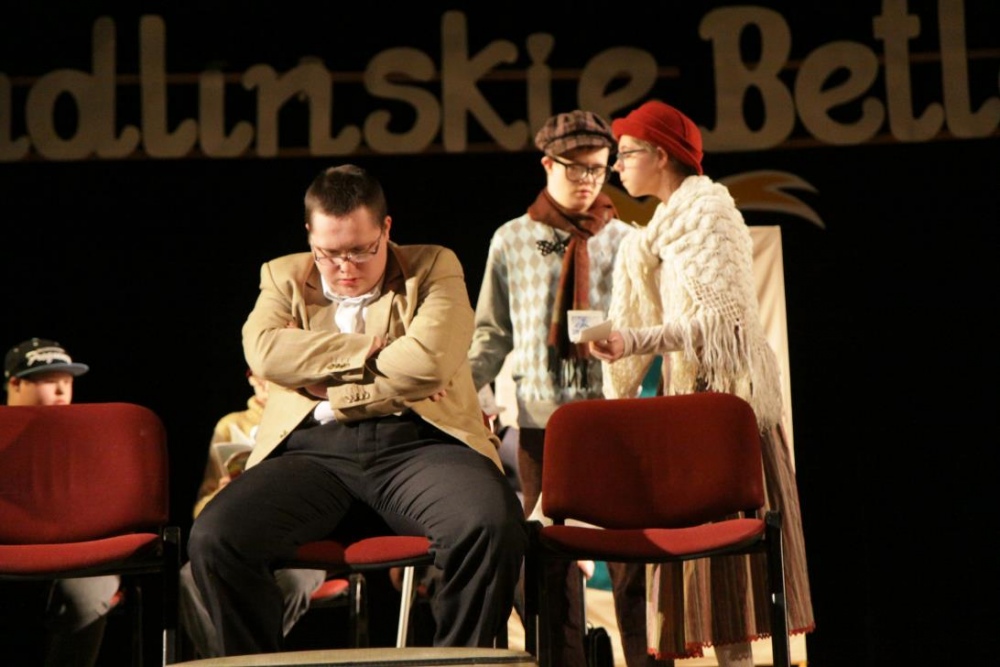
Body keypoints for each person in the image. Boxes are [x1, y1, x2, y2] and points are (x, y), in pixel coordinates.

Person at [186, 164, 528, 657]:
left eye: (361, 250)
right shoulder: (283, 275)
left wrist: (327, 388)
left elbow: (428, 364)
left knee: (491, 524)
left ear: (386, 229)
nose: (345, 267)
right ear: (310, 235)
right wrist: (367, 349)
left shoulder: (433, 265)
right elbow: (264, 354)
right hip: (311, 453)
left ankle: (457, 663)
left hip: (419, 445)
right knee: (216, 537)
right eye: (328, 253)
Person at [588, 99, 816, 666]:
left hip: (725, 407)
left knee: (732, 564)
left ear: (662, 155)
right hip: (691, 403)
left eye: (627, 154)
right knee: (707, 572)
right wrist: (627, 341)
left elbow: (723, 324)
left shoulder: (708, 214)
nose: (618, 167)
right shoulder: (662, 229)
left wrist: (634, 340)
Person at [466, 110, 637, 666]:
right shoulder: (512, 240)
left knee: (632, 557)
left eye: (598, 169)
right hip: (543, 423)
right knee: (549, 562)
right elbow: (492, 334)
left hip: (613, 419)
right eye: (575, 168)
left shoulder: (627, 241)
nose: (588, 180)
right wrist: (459, 392)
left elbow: (647, 329)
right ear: (547, 164)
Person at [177, 370, 325, 659]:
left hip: (296, 543)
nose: (267, 386)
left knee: (293, 582)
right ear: (250, 378)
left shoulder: (309, 416)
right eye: (260, 378)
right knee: (189, 578)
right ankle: (231, 661)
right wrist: (223, 494)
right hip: (242, 538)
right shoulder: (231, 425)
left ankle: (239, 659)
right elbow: (200, 509)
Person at [1, 338, 120, 667]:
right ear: (15, 383)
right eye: (50, 381)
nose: (60, 392)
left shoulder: (87, 437)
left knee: (89, 589)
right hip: (9, 547)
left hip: (71, 550)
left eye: (67, 383)